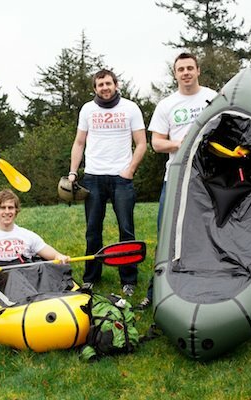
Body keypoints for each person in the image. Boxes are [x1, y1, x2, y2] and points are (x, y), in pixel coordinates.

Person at [138, 52, 218, 309]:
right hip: (174, 179)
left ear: (198, 71)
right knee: (167, 234)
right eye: (181, 69)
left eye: (189, 68)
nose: (186, 73)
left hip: (208, 178)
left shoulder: (213, 98)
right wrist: (180, 143)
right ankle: (156, 292)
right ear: (175, 74)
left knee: (208, 233)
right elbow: (156, 143)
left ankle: (206, 289)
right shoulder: (166, 105)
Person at [68, 69, 147, 297]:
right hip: (93, 177)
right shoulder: (87, 109)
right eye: (100, 84)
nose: (105, 88)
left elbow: (142, 143)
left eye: (108, 83)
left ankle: (128, 280)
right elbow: (79, 143)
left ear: (116, 84)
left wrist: (130, 170)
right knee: (93, 230)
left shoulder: (130, 108)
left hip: (121, 179)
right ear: (95, 88)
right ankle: (91, 278)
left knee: (126, 230)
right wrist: (73, 172)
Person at [0, 189, 69, 277]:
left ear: (16, 210)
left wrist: (59, 256)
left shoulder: (28, 235)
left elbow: (54, 255)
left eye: (11, 208)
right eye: (3, 208)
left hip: (27, 279)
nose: (7, 212)